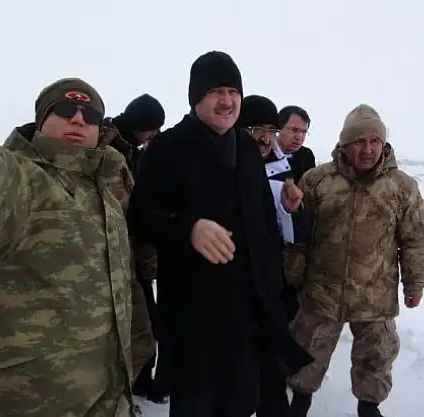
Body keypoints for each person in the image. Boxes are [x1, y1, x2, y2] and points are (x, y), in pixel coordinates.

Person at [0, 22, 151, 417]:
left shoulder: (107, 186)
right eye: (65, 110)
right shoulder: (23, 178)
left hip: (110, 389)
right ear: (41, 119)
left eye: (90, 114)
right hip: (40, 398)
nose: (78, 120)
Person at [127, 50, 313, 417]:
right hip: (197, 313)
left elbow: (262, 220)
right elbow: (140, 217)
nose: (227, 101)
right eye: (216, 91)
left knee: (241, 403)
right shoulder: (167, 149)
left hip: (249, 310)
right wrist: (188, 227)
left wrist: (289, 210)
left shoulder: (245, 146)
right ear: (196, 97)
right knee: (197, 405)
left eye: (233, 91)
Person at [285, 104, 424, 417]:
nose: (367, 149)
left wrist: (415, 282)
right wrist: (294, 274)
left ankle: (369, 407)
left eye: (374, 141)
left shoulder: (401, 187)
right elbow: (298, 235)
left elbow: (415, 239)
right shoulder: (317, 181)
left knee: (376, 357)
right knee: (306, 351)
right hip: (322, 293)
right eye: (359, 142)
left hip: (375, 294)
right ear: (344, 144)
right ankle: (300, 401)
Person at [235, 94, 306, 417]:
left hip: (270, 281)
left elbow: (291, 233)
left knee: (272, 366)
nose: (264, 138)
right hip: (232, 284)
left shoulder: (282, 169)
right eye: (255, 129)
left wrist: (292, 210)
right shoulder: (224, 165)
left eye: (269, 130)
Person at [105, 94, 168, 403]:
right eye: (152, 130)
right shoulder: (110, 149)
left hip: (134, 255)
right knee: (135, 330)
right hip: (114, 256)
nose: (153, 136)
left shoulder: (131, 150)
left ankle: (138, 384)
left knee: (144, 326)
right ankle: (117, 394)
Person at [275, 106, 316, 182]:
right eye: (294, 130)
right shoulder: (264, 153)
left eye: (304, 132)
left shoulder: (306, 155)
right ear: (279, 128)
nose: (299, 137)